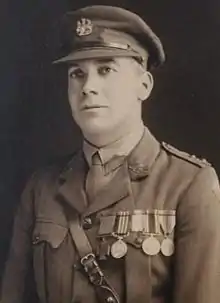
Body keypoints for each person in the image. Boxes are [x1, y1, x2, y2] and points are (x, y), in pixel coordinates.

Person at [1, 5, 220, 303]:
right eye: (77, 73)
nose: (88, 87)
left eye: (106, 70)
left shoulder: (189, 184)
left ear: (143, 85)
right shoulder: (41, 187)